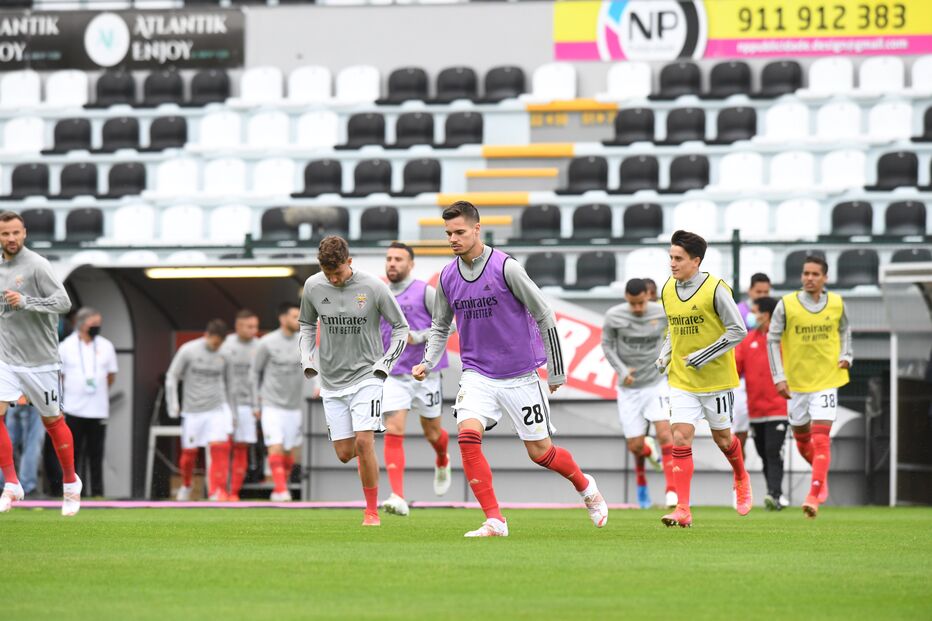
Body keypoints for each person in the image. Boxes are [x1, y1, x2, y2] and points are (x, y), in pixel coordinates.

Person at [412, 201, 607, 537]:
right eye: (448, 234)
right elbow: (440, 325)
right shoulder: (447, 276)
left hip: (520, 375)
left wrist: (556, 370)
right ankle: (495, 520)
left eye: (459, 232)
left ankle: (585, 486)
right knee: (467, 437)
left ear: (477, 229)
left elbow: (544, 313)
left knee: (541, 453)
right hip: (477, 373)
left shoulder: (506, 268)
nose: (453, 239)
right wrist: (428, 361)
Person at [299, 236, 409, 526]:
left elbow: (401, 327)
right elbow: (307, 325)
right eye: (327, 273)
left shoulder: (373, 286)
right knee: (345, 453)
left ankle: (371, 511)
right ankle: (368, 481)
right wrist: (307, 359)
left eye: (337, 272)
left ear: (349, 262)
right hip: (332, 380)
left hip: (367, 375)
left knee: (364, 442)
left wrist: (386, 362)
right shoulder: (312, 286)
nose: (333, 279)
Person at [657, 230, 750, 528]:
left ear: (696, 261)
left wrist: (704, 355)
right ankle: (683, 508)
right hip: (682, 379)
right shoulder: (667, 289)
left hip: (716, 381)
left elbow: (738, 330)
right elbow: (673, 328)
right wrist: (665, 354)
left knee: (723, 439)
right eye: (671, 257)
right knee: (680, 437)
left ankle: (740, 475)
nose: (672, 263)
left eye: (678, 258)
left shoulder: (715, 289)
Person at [0, 210, 81, 516]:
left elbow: (64, 303)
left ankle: (71, 483)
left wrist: (27, 302)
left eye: (15, 232)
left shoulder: (37, 265)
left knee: (53, 422)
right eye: (5, 233)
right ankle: (12, 483)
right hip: (7, 357)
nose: (11, 238)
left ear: (24, 233)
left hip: (41, 361)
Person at [767, 255, 852, 518]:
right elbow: (772, 339)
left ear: (825, 277)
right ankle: (820, 477)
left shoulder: (836, 303)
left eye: (815, 274)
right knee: (803, 441)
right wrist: (778, 376)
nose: (809, 278)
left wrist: (846, 355)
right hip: (796, 384)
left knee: (821, 438)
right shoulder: (787, 304)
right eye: (806, 273)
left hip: (827, 380)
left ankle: (813, 495)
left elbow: (845, 330)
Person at [380, 242, 452, 517]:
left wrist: (419, 336)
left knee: (432, 433)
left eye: (398, 259)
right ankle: (397, 496)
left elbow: (450, 324)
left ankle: (442, 458)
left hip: (425, 373)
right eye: (389, 258)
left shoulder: (425, 291)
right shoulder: (378, 293)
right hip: (393, 374)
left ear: (411, 264)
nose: (392, 263)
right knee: (394, 427)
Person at [602, 278, 676, 509]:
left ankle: (672, 491)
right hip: (629, 388)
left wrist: (666, 358)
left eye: (641, 303)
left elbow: (676, 334)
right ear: (626, 298)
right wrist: (622, 370)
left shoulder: (662, 312)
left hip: (656, 382)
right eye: (632, 304)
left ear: (648, 296)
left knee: (665, 434)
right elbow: (607, 345)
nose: (637, 308)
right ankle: (647, 457)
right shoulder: (614, 316)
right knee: (635, 446)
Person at [166, 319, 236, 501]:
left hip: (217, 408)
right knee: (189, 455)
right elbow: (172, 376)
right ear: (207, 335)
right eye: (214, 343)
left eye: (219, 344)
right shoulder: (188, 350)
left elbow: (230, 384)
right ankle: (186, 485)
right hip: (193, 410)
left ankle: (216, 491)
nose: (216, 347)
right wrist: (173, 403)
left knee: (219, 449)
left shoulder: (226, 354)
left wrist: (232, 412)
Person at [734, 296, 789, 510]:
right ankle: (773, 494)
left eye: (755, 312)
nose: (751, 316)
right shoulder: (747, 341)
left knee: (773, 451)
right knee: (763, 453)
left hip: (778, 408)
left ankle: (774, 494)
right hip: (755, 410)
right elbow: (735, 368)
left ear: (765, 315)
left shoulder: (784, 340)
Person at [59, 307, 118, 498]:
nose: (97, 327)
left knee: (96, 453)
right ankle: (74, 491)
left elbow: (111, 376)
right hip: (73, 408)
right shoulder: (66, 346)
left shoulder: (106, 345)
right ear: (82, 324)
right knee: (73, 453)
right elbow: (60, 377)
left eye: (99, 324)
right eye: (94, 324)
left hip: (98, 409)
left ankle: (97, 492)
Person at [253, 302, 305, 502]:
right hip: (271, 404)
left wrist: (318, 385)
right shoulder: (266, 342)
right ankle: (281, 490)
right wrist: (255, 403)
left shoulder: (304, 341)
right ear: (282, 319)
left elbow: (315, 365)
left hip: (294, 406)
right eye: (294, 316)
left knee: (289, 451)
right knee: (275, 446)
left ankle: (281, 488)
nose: (298, 320)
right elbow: (254, 372)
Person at [220, 309, 260, 501]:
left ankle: (234, 492)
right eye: (249, 326)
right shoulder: (225, 345)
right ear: (238, 326)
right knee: (222, 447)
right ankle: (219, 490)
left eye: (255, 326)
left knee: (241, 447)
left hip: (246, 404)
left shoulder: (260, 346)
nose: (253, 330)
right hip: (224, 404)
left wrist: (257, 404)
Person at [732, 273, 772, 455]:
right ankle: (739, 468)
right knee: (739, 430)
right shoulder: (738, 311)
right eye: (758, 291)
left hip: (765, 379)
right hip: (741, 378)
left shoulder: (773, 311)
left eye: (766, 292)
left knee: (766, 431)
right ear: (750, 291)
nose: (762, 295)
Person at [0, 398, 43, 497]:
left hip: (12, 401)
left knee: (7, 442)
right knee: (32, 443)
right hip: (32, 400)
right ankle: (28, 486)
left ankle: (3, 484)